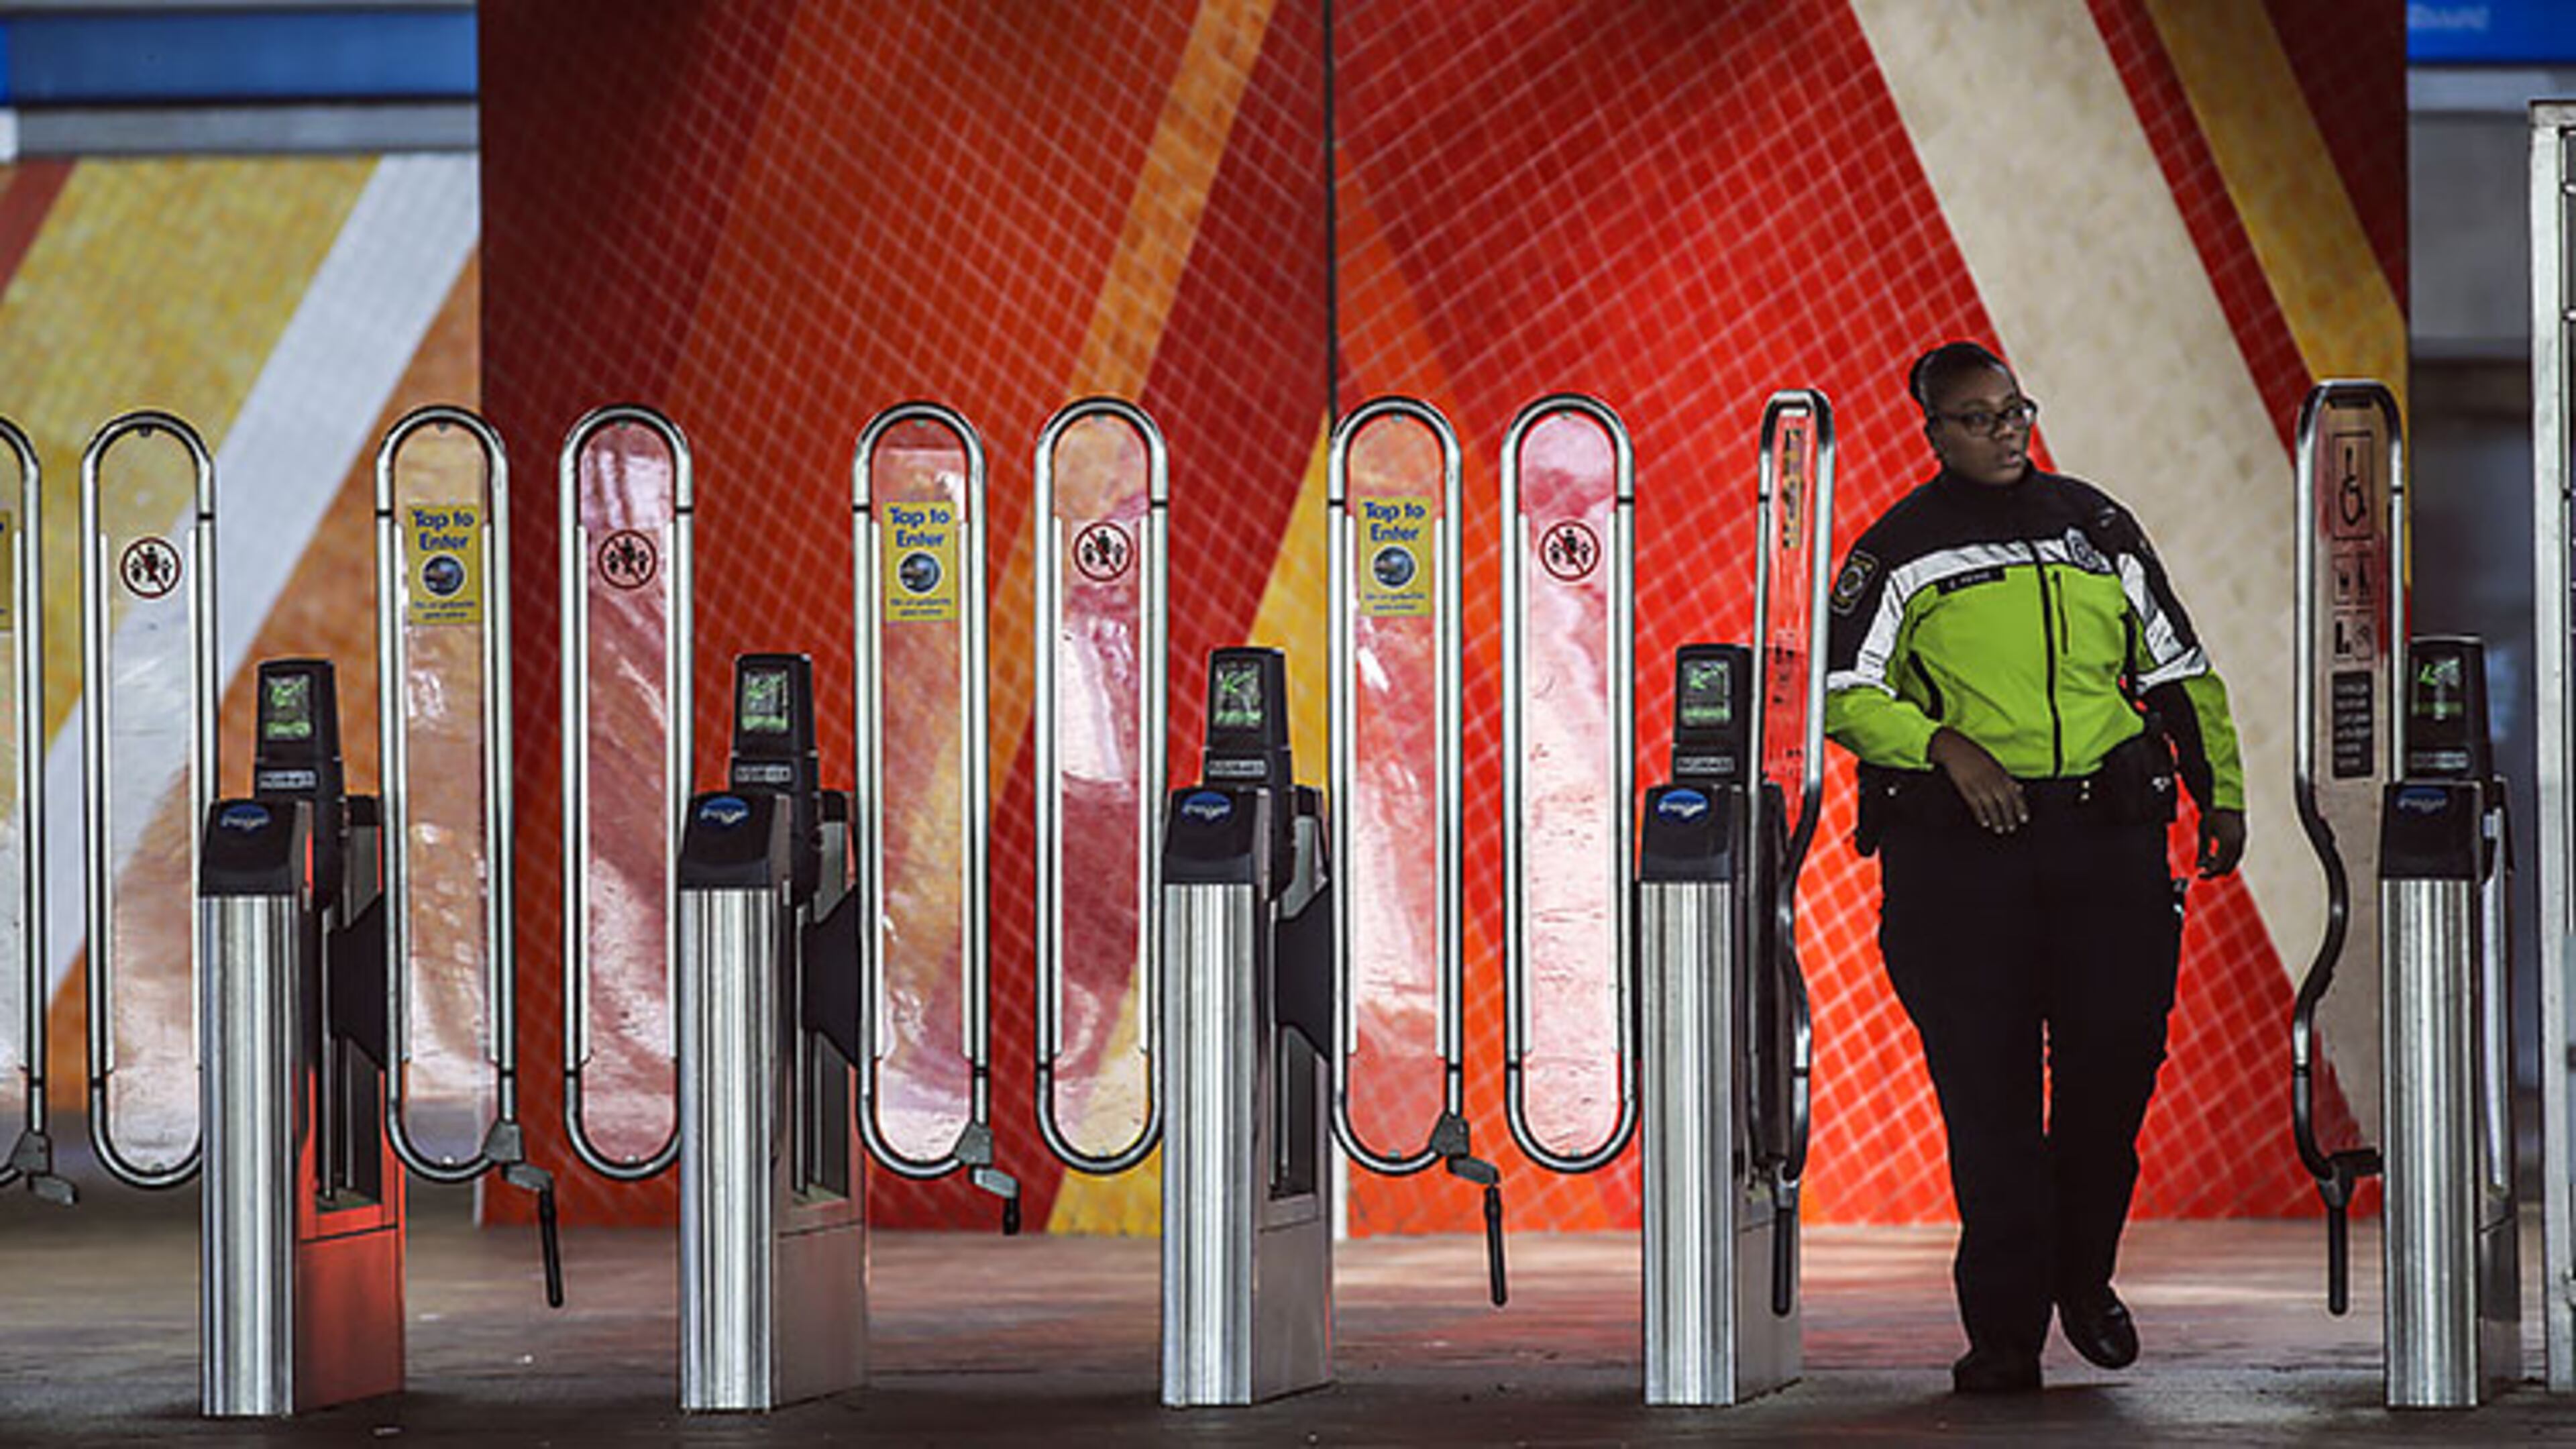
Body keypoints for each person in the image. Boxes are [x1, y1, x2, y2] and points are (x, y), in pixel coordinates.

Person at [1822, 341, 2247, 1394]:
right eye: (1978, 417)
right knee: (1993, 1103)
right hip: (1968, 868)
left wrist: (2220, 790)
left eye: (2015, 410)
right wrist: (1942, 746)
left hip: (2108, 851)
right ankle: (2004, 1336)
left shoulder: (2096, 527)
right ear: (1932, 433)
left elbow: (2179, 670)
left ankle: (2083, 1277)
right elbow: (1837, 688)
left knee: (2111, 1085)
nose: (2006, 430)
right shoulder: (1899, 551)